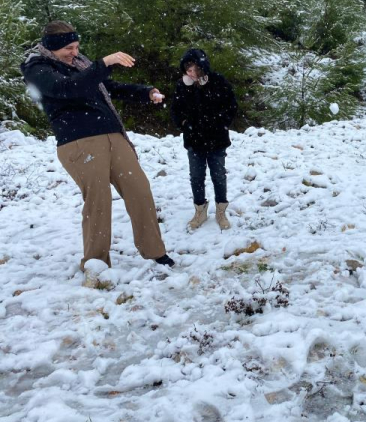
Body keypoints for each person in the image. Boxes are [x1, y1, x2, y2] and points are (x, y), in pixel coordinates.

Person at [21, 21, 175, 286]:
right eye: (69, 47)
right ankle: (96, 262)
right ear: (53, 47)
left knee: (139, 189)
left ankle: (155, 251)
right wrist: (104, 62)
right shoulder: (38, 67)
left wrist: (145, 92)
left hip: (112, 135)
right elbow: (67, 88)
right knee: (98, 200)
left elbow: (107, 88)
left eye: (77, 46)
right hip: (79, 141)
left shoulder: (81, 65)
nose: (74, 52)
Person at [170, 48, 237, 231]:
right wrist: (184, 124)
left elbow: (231, 105)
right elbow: (175, 110)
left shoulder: (218, 82)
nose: (191, 74)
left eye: (194, 69)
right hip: (194, 141)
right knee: (196, 177)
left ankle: (221, 211)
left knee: (219, 176)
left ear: (202, 67)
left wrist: (222, 123)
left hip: (217, 139)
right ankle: (200, 210)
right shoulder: (182, 86)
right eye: (187, 70)